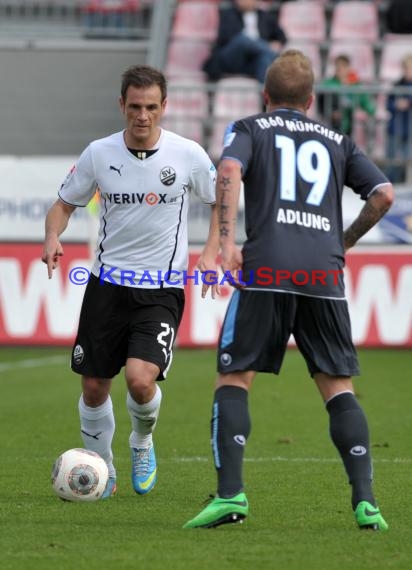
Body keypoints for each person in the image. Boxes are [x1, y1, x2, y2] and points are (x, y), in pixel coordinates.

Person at [184, 50, 393, 531]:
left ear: (266, 94)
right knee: (338, 386)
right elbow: (383, 195)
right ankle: (366, 503)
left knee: (235, 378)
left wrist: (225, 240)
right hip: (323, 273)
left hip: (267, 266)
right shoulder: (338, 139)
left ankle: (230, 496)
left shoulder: (250, 128)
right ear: (311, 99)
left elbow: (230, 170)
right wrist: (344, 242)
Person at [42, 65, 220, 499]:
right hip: (107, 285)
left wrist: (213, 251)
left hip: (160, 288)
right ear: (122, 105)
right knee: (93, 384)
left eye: (152, 107)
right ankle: (101, 469)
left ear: (165, 107)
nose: (143, 116)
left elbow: (222, 202)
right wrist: (52, 235)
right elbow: (64, 204)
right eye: (135, 107)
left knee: (142, 381)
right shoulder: (98, 154)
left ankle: (142, 441)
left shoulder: (188, 155)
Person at [203, 0, 287, 84]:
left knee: (264, 58)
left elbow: (282, 37)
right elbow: (225, 37)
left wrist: (277, 43)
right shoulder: (228, 14)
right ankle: (271, 53)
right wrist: (267, 47)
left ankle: (266, 94)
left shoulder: (266, 16)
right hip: (232, 57)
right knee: (242, 40)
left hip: (252, 61)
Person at [318, 54, 375, 137]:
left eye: (343, 66)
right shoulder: (328, 84)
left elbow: (368, 105)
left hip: (349, 126)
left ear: (349, 68)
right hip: (330, 127)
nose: (339, 68)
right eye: (337, 65)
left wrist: (370, 110)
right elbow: (321, 102)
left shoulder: (355, 85)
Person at [385, 53, 412, 183]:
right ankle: (390, 184)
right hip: (395, 128)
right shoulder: (397, 85)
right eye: (406, 68)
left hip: (409, 129)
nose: (408, 71)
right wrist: (396, 104)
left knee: (407, 159)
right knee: (392, 160)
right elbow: (388, 104)